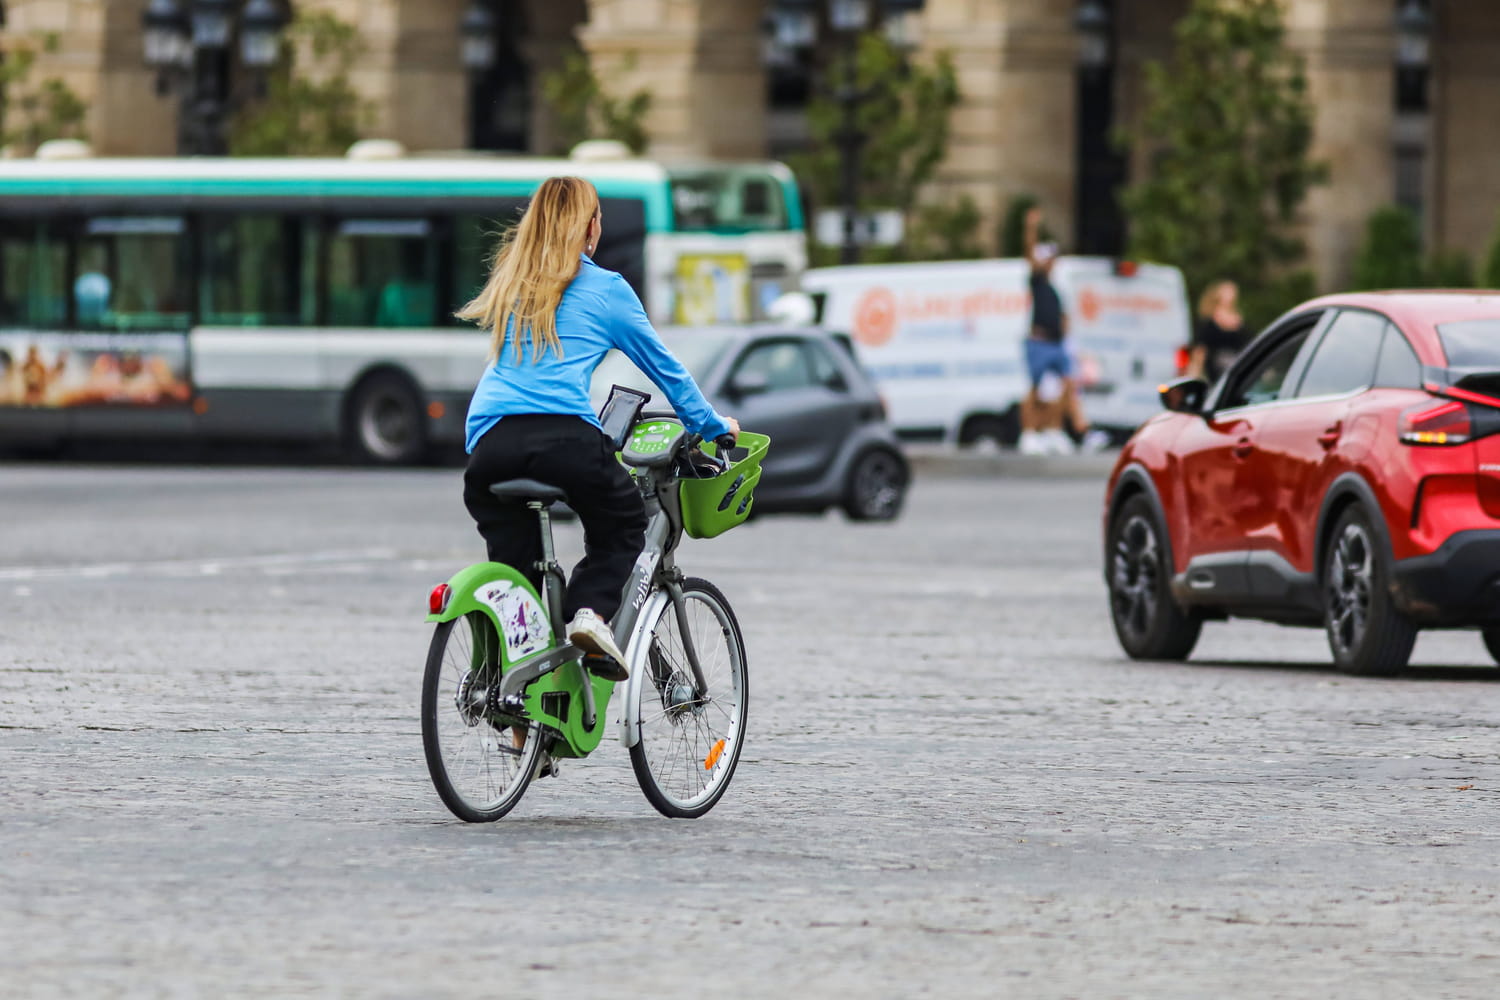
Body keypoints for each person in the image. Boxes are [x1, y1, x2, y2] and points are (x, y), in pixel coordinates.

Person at [457, 176, 738, 681]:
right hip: (563, 437)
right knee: (621, 523)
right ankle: (590, 615)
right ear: (591, 227)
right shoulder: (607, 289)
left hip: (489, 444)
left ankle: (516, 706)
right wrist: (714, 426)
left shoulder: (512, 280)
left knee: (517, 574)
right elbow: (665, 369)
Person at [1016, 206, 1110, 456]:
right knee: (1034, 389)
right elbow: (1028, 250)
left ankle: (1053, 430)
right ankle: (1029, 433)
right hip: (1039, 343)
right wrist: (1031, 226)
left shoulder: (1054, 288)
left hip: (1057, 344)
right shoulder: (1036, 281)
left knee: (1066, 384)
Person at [1187, 279, 1248, 385]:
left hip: (1237, 375)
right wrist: (1192, 377)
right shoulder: (1209, 323)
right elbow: (1200, 352)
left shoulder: (1239, 321)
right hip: (1216, 378)